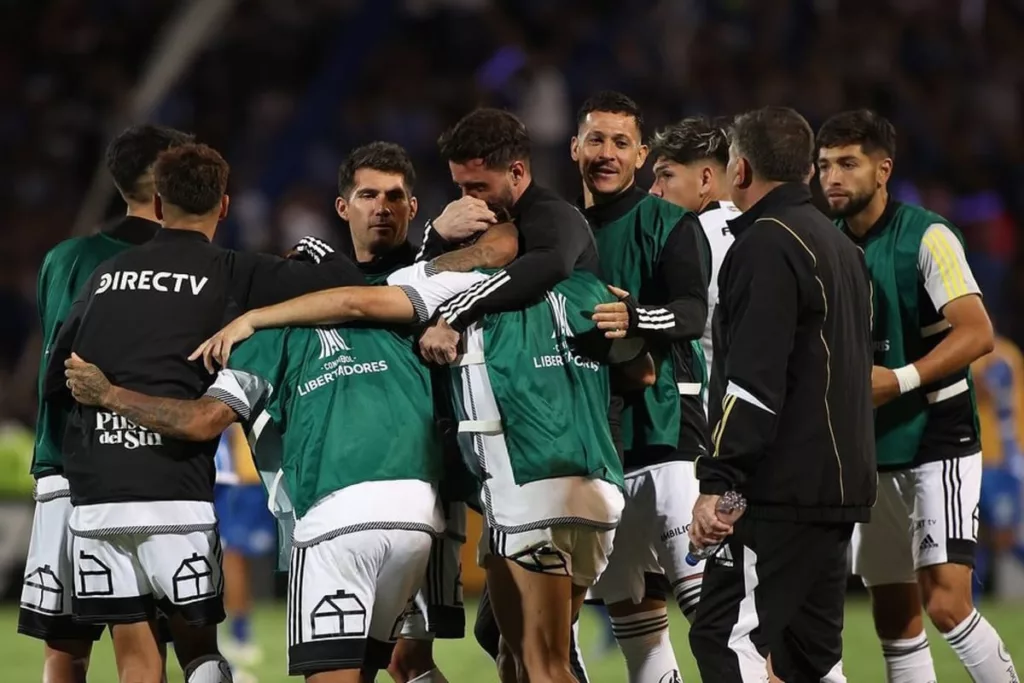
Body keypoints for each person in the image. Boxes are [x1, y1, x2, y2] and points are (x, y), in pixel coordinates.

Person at [43, 143, 367, 683]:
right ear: (223, 206)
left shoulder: (106, 275)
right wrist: (299, 259)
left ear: (160, 204)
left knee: (137, 664)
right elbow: (348, 282)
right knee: (199, 655)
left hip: (98, 497)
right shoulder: (232, 271)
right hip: (174, 488)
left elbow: (57, 376)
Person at [818, 108, 1018, 683]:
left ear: (883, 171)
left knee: (947, 603)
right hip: (869, 449)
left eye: (848, 164)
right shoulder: (822, 243)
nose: (832, 176)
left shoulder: (927, 236)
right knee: (894, 618)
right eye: (824, 164)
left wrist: (900, 378)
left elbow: (977, 331)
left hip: (938, 438)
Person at [415, 108, 613, 683]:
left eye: (478, 185)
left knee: (545, 658)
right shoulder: (479, 226)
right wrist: (435, 234)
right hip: (507, 465)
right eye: (458, 187)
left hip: (553, 457)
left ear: (518, 172)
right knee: (506, 645)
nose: (470, 199)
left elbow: (543, 267)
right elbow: (420, 280)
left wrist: (453, 311)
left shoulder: (554, 220)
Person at [688, 106, 876, 683]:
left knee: (726, 637)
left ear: (738, 170)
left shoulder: (766, 244)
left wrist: (719, 482)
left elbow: (753, 383)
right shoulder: (842, 248)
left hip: (780, 493)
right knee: (809, 658)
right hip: (839, 490)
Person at [18, 124, 192, 683]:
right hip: (141, 473)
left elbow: (54, 366)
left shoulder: (63, 258)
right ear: (169, 182)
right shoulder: (186, 264)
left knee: (65, 648)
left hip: (60, 472)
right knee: (143, 644)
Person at [569, 90, 710, 683]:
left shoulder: (668, 223)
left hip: (671, 443)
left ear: (641, 155)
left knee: (716, 620)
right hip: (598, 452)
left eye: (620, 143)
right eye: (596, 140)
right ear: (575, 147)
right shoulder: (558, 233)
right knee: (637, 624)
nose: (606, 153)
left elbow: (692, 312)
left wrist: (635, 319)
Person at [648, 115, 739, 396]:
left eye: (667, 175)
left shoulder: (684, 239)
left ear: (705, 179)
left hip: (705, 414)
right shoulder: (772, 229)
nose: (654, 190)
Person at [213, 424, 274, 683]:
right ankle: (236, 637)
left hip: (249, 476)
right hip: (235, 478)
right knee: (231, 557)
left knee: (237, 561)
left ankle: (238, 634)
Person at [972, 334, 1024, 595]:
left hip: (1000, 460)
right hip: (974, 460)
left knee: (1005, 537)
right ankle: (971, 608)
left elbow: (986, 389)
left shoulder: (1002, 354)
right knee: (974, 537)